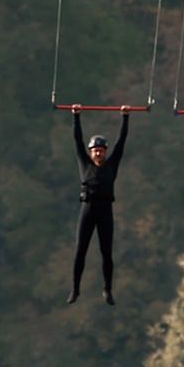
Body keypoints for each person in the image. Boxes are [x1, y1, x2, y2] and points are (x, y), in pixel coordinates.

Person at [68, 108, 129, 305]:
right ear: (91, 151)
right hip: (87, 210)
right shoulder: (84, 164)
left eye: (101, 150)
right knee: (80, 250)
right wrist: (76, 116)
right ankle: (75, 289)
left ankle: (107, 289)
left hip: (105, 211)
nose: (98, 153)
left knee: (106, 252)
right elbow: (77, 140)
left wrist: (125, 117)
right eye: (95, 150)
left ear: (105, 151)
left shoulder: (112, 165)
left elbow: (121, 142)